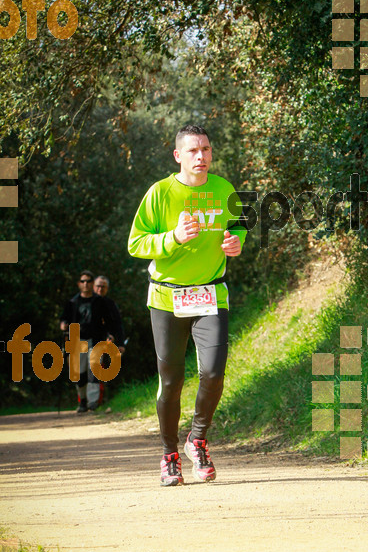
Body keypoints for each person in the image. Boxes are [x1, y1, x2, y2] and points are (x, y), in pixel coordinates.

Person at [128, 124, 246, 486]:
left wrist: (236, 243)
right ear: (178, 156)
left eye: (206, 150)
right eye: (193, 151)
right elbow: (136, 244)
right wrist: (173, 238)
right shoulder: (160, 193)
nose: (201, 157)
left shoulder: (224, 189)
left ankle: (197, 439)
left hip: (211, 294)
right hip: (167, 298)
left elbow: (239, 225)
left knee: (212, 372)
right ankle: (168, 454)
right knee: (172, 380)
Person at [60, 270, 117, 412]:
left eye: (88, 281)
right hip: (77, 340)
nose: (86, 284)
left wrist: (110, 334)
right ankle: (82, 401)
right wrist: (63, 325)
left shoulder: (99, 302)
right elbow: (64, 318)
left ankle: (93, 403)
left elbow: (109, 320)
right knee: (80, 374)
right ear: (79, 284)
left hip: (96, 340)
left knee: (94, 372)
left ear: (92, 283)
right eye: (83, 281)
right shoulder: (72, 302)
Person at [94, 275, 126, 407]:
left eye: (103, 287)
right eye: (98, 286)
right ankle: (85, 402)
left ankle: (100, 402)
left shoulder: (110, 304)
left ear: (107, 288)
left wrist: (120, 343)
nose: (100, 289)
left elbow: (117, 324)